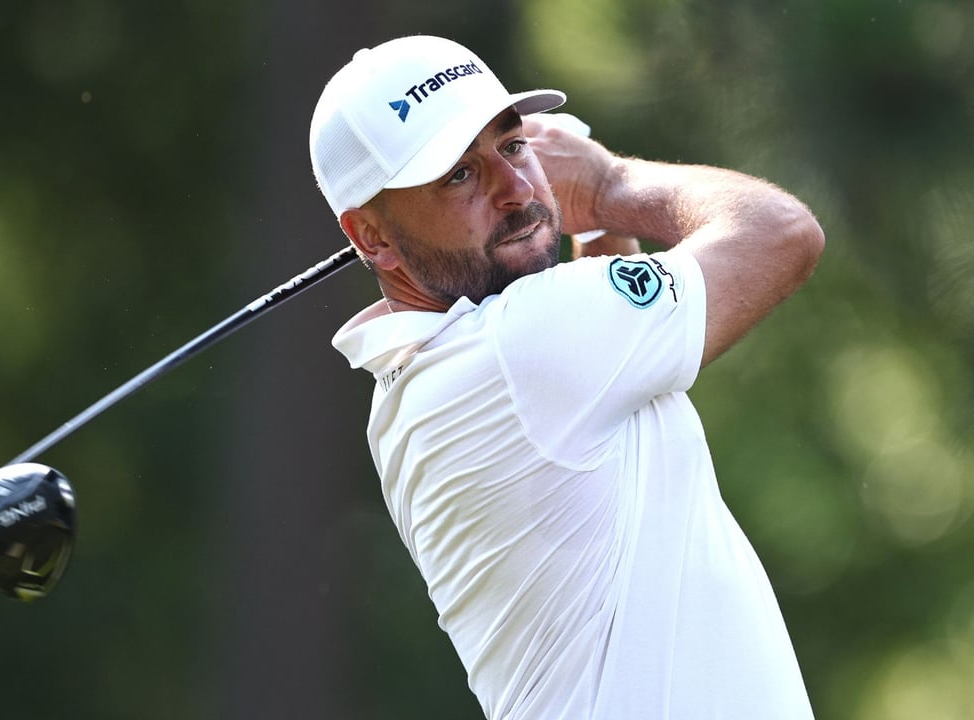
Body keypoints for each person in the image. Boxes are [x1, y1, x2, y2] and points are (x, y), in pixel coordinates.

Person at [310, 35, 825, 719]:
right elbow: (781, 232)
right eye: (459, 175)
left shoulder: (425, 382)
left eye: (512, 145)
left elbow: (625, 379)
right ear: (371, 237)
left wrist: (597, 220)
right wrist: (610, 186)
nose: (516, 190)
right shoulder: (516, 349)